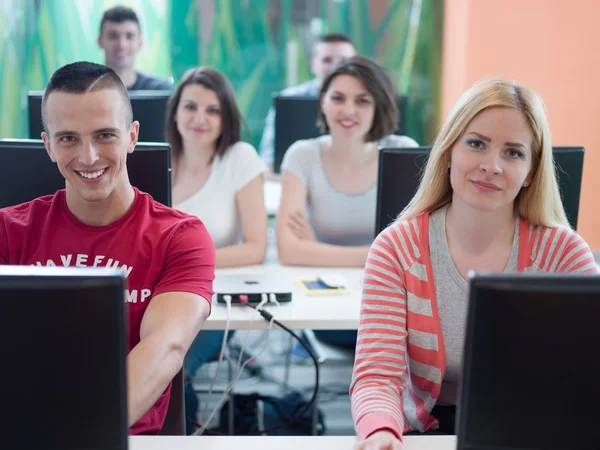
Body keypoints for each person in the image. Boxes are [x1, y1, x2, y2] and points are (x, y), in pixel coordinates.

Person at [350, 78, 599, 450]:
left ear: (531, 171)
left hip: (534, 432)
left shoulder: (564, 254)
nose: (491, 165)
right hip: (425, 431)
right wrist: (382, 434)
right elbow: (377, 377)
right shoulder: (396, 248)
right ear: (450, 151)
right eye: (477, 143)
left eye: (513, 152)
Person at [0, 62, 215, 435]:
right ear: (48, 145)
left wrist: (75, 434)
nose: (88, 156)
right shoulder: (8, 231)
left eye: (104, 135)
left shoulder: (181, 237)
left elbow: (166, 346)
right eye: (68, 138)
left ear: (132, 136)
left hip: (122, 438)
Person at [164, 66, 267, 419]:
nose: (200, 118)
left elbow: (255, 247)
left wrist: (186, 264)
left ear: (225, 117)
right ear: (175, 111)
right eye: (190, 106)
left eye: (213, 110)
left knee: (168, 374)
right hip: (155, 293)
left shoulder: (239, 158)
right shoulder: (154, 158)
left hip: (211, 299)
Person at [277, 55, 418, 268]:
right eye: (338, 98)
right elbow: (288, 251)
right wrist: (383, 255)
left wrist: (315, 250)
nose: (348, 111)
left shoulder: (403, 152)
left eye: (362, 100)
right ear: (323, 100)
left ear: (377, 106)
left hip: (390, 285)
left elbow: (415, 246)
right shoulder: (301, 155)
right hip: (318, 285)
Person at [259, 32, 356, 173]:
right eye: (327, 60)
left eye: (343, 60)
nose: (336, 66)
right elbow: (267, 162)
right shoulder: (288, 100)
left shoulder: (373, 102)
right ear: (313, 64)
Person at [98, 5, 171, 91]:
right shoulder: (83, 91)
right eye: (113, 36)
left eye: (129, 36)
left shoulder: (161, 91)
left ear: (140, 43)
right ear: (100, 41)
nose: (122, 45)